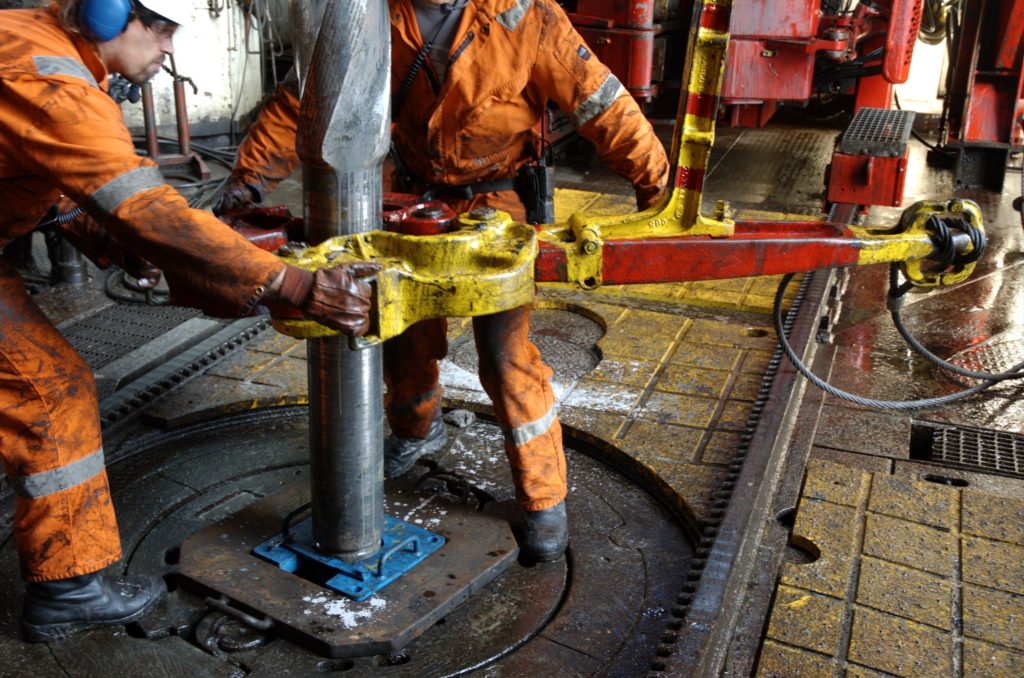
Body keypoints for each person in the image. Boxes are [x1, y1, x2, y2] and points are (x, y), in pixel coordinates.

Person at [216, 0, 670, 563]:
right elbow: (306, 100)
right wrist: (250, 178)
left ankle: (544, 495)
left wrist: (659, 190)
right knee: (401, 337)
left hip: (497, 208)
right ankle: (415, 431)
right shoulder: (371, 12)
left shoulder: (528, 16)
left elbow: (602, 103)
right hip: (409, 202)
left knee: (506, 359)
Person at [0, 0, 377, 642]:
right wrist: (289, 283)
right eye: (164, 30)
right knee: (48, 392)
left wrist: (113, 243)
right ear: (108, 13)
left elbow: (53, 180)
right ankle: (68, 591)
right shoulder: (52, 80)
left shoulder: (30, 45)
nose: (169, 50)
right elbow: (144, 205)